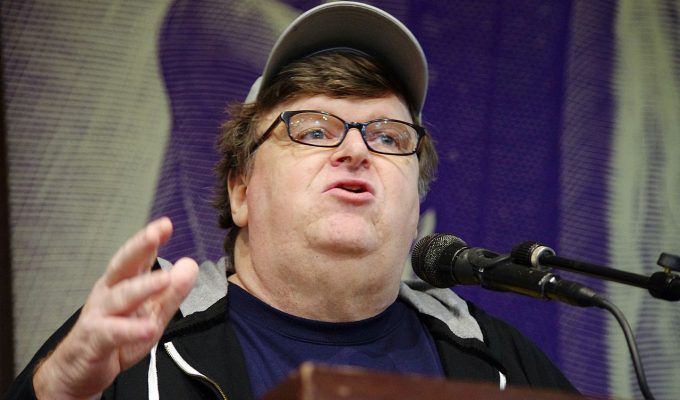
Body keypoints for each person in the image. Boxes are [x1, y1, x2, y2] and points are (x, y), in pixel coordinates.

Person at [6, 2, 578, 399]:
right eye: (314, 130)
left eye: (388, 138)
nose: (356, 151)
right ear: (241, 190)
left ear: (417, 208)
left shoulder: (496, 360)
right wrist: (58, 392)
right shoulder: (139, 341)